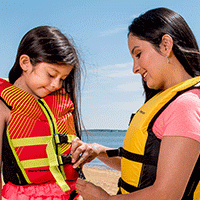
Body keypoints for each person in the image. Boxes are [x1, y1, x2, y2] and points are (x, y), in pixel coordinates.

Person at [71, 7, 200, 200]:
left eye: (138, 54)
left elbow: (167, 195)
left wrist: (105, 199)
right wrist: (98, 151)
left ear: (166, 45)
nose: (134, 68)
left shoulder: (186, 106)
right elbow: (141, 164)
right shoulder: (166, 100)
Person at [0, 26, 84, 200]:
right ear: (25, 63)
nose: (56, 85)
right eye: (51, 74)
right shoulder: (3, 106)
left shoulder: (60, 103)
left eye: (62, 78)